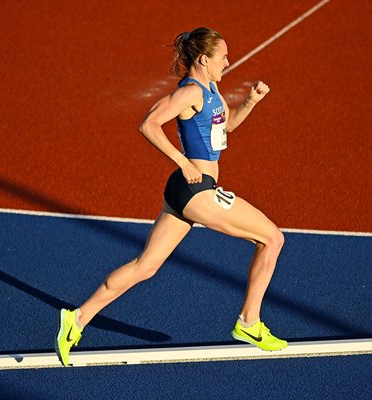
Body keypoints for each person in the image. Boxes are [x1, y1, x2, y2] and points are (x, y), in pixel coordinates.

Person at [55, 27, 287, 366]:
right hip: (196, 190)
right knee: (272, 238)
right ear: (205, 59)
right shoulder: (190, 92)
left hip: (185, 191)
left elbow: (227, 126)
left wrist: (250, 101)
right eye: (223, 56)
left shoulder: (212, 89)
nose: (228, 61)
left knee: (145, 266)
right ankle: (249, 323)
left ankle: (75, 321)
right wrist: (182, 162)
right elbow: (149, 124)